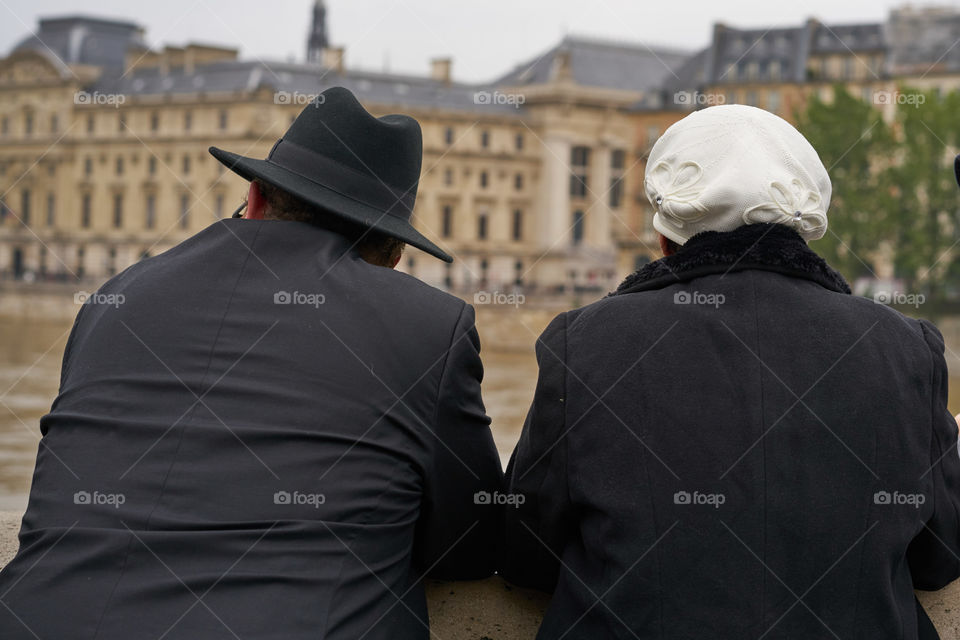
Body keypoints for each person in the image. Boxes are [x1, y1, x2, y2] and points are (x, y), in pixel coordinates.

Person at [0, 87, 502, 640]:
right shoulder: (430, 326)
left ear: (256, 198)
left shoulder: (117, 296)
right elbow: (470, 543)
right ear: (393, 254)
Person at [499, 104, 960, 639]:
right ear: (803, 230)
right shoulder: (907, 347)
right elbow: (941, 555)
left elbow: (524, 554)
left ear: (666, 235)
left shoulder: (583, 343)